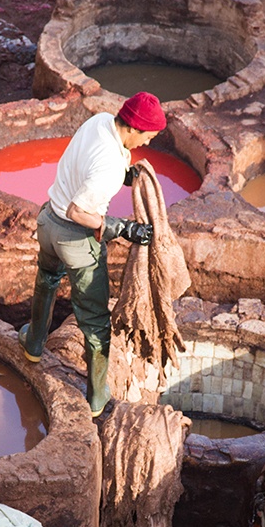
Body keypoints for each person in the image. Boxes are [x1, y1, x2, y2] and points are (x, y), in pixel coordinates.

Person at [18, 91, 167, 417]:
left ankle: (33, 345)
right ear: (135, 128)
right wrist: (122, 228)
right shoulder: (110, 166)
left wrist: (125, 174)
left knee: (47, 278)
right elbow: (79, 211)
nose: (149, 142)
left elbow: (87, 164)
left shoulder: (100, 121)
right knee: (95, 319)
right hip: (76, 240)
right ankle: (98, 396)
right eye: (149, 136)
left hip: (47, 223)